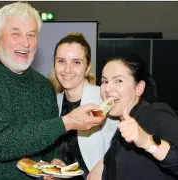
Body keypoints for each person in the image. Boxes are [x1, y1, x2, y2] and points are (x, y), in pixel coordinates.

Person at [0, 2, 106, 180]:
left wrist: (54, 160)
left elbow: (50, 140)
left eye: (31, 35)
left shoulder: (43, 86)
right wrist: (67, 122)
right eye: (16, 33)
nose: (25, 43)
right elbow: (2, 144)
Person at [90, 54, 178, 180]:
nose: (107, 88)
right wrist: (103, 164)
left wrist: (147, 141)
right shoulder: (124, 125)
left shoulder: (155, 113)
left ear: (139, 88)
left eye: (118, 80)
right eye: (104, 81)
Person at [47, 33, 118, 180]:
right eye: (61, 61)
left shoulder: (104, 99)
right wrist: (56, 163)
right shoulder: (53, 102)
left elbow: (124, 144)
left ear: (87, 68)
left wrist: (103, 164)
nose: (67, 69)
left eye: (76, 62)